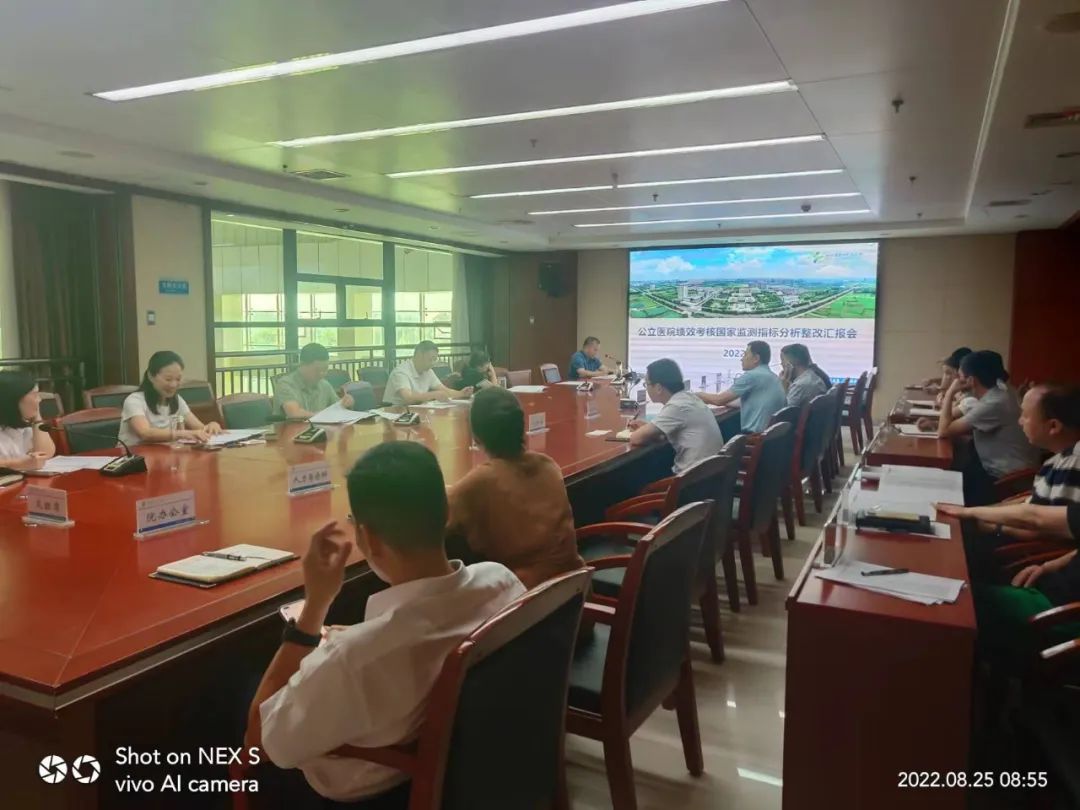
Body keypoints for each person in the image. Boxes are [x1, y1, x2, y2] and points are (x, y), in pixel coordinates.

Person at [247, 441, 524, 805]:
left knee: (240, 699)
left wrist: (314, 607)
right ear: (445, 511)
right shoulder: (502, 581)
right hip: (477, 774)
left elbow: (258, 743)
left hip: (384, 793)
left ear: (369, 539)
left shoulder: (356, 660)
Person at [447, 386, 584, 589]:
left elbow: (440, 519)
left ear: (475, 435)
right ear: (522, 426)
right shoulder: (548, 465)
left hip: (524, 600)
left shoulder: (479, 482)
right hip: (574, 591)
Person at [936, 500, 1080, 670]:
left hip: (1061, 615)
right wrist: (1047, 567)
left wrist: (969, 512)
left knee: (952, 603)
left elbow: (1035, 518)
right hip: (1053, 592)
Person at [920, 350, 1038, 503]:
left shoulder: (994, 403)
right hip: (1002, 469)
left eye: (960, 377)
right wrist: (935, 425)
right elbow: (966, 426)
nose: (957, 380)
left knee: (946, 487)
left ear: (971, 380)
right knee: (954, 469)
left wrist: (950, 392)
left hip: (1003, 478)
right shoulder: (1002, 391)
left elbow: (944, 431)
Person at [626, 358, 724, 473]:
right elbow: (666, 432)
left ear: (658, 388)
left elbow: (636, 438)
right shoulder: (689, 398)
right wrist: (649, 427)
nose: (646, 388)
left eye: (646, 384)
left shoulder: (676, 406)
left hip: (693, 479)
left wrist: (644, 431)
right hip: (711, 474)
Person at [119, 351, 223, 446]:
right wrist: (183, 434)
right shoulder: (134, 400)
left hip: (162, 455)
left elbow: (199, 428)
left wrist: (211, 426)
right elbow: (145, 433)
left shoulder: (177, 400)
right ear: (151, 376)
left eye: (178, 379)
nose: (173, 385)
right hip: (133, 456)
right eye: (168, 379)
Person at [698, 340, 786, 433]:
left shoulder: (752, 375)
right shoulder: (772, 376)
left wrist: (696, 395)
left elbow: (719, 400)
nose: (742, 359)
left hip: (754, 436)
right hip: (769, 435)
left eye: (745, 355)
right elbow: (745, 402)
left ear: (756, 358)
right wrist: (725, 401)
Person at [1023, 383, 1080, 505]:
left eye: (1025, 416)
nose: (1020, 421)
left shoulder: (1072, 464)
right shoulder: (1055, 462)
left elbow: (1042, 515)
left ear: (1053, 426)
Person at [274, 343, 354, 418]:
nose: (322, 374)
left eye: (325, 369)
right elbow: (294, 413)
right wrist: (324, 416)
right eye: (317, 370)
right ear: (302, 365)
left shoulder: (324, 385)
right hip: (292, 428)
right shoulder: (285, 384)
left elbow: (337, 406)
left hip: (320, 427)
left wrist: (346, 403)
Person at [385, 341, 473, 406]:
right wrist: (434, 394)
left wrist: (461, 393)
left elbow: (444, 390)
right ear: (419, 355)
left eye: (435, 359)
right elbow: (408, 398)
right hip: (396, 413)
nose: (433, 363)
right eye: (430, 359)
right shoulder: (401, 372)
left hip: (417, 411)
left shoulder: (428, 371)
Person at [0, 371, 56, 468]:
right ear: (14, 399)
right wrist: (20, 464)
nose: (39, 399)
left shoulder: (22, 429)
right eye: (35, 395)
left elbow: (45, 454)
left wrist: (37, 418)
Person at [779, 343, 831, 407]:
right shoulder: (812, 376)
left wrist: (784, 387)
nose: (782, 365)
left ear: (790, 365)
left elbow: (783, 410)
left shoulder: (801, 385)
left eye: (783, 362)